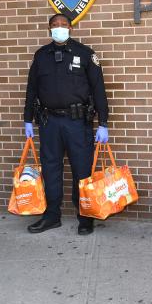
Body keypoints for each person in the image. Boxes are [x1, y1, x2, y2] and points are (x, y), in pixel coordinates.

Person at [23, 13, 109, 235]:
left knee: (81, 170)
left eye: (63, 25)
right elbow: (31, 89)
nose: (59, 28)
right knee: (51, 169)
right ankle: (52, 215)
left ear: (71, 28)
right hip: (49, 121)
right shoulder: (41, 56)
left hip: (77, 123)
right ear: (48, 29)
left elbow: (99, 90)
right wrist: (27, 119)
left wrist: (103, 123)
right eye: (54, 25)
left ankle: (85, 216)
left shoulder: (85, 54)